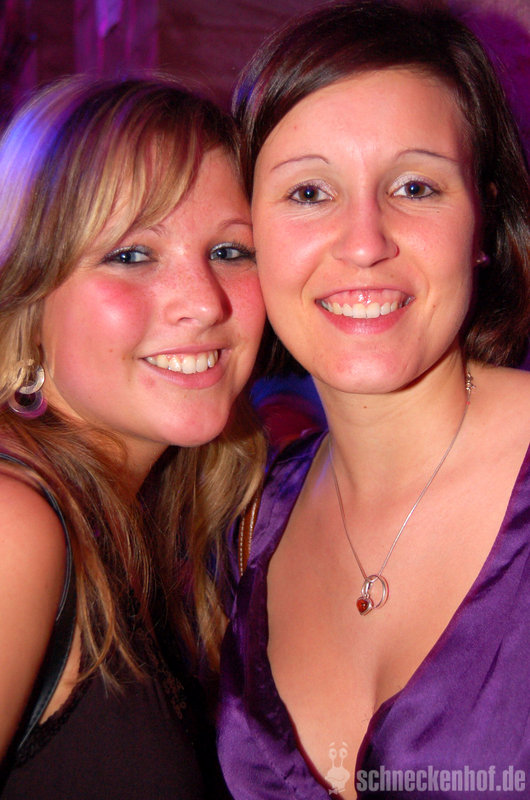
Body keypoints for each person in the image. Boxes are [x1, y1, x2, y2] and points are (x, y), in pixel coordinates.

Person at [218, 2, 530, 798]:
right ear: (250, 233)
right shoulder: (243, 529)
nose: (364, 243)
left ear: (483, 223)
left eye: (416, 186)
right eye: (309, 192)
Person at [0, 74, 266, 797]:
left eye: (230, 252)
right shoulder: (16, 524)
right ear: (29, 293)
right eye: (131, 255)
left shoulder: (141, 521)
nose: (203, 303)